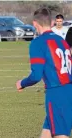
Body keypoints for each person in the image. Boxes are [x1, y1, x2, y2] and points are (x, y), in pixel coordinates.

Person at [16, 8, 72, 138]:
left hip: (56, 92)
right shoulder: (62, 41)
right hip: (68, 90)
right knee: (47, 131)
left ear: (35, 23)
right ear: (52, 22)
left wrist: (22, 83)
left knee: (60, 134)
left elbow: (36, 75)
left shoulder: (38, 42)